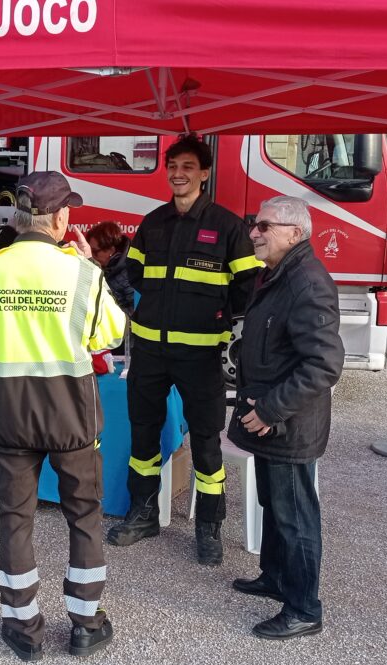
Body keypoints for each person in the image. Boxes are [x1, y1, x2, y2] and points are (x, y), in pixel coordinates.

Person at [0, 171, 126, 662]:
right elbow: (109, 336)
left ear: (20, 218)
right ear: (62, 219)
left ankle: (22, 626)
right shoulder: (82, 273)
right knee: (84, 517)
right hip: (71, 417)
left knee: (15, 520)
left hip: (9, 418)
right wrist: (90, 268)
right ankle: (87, 625)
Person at [107, 135, 261, 566]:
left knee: (207, 442)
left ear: (205, 173)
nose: (178, 173)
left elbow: (247, 290)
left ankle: (208, 527)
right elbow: (126, 277)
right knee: (143, 436)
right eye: (173, 165)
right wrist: (140, 308)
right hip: (151, 353)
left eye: (188, 166)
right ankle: (143, 514)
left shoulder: (229, 228)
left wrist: (218, 320)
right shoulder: (153, 223)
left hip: (201, 357)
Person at [226, 196, 343, 640]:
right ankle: (275, 577)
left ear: (295, 234)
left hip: (289, 424)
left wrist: (272, 409)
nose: (254, 233)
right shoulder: (277, 274)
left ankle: (303, 607)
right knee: (273, 506)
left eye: (263, 226)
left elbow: (324, 364)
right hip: (271, 419)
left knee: (295, 515)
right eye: (253, 224)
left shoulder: (307, 283)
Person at [85, 221, 135, 315]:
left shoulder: (131, 270)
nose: (91, 255)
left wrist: (106, 315)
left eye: (95, 251)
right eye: (89, 250)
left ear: (111, 250)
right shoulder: (103, 267)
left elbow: (135, 309)